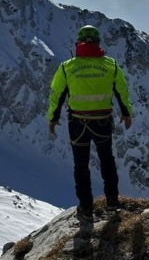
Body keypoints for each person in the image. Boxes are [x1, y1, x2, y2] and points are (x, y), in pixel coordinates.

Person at [47, 25, 133, 222]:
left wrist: (53, 118)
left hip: (77, 123)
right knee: (107, 161)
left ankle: (86, 208)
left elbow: (57, 94)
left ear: (78, 43)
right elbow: (121, 90)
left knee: (81, 166)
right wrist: (126, 113)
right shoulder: (110, 65)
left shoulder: (67, 67)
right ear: (98, 43)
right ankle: (112, 202)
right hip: (102, 121)